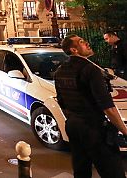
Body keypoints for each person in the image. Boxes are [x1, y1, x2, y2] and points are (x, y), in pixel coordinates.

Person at [54, 35, 127, 178]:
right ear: (74, 50)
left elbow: (62, 102)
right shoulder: (90, 70)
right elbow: (108, 107)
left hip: (74, 126)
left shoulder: (60, 71)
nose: (87, 43)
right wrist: (124, 131)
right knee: (113, 171)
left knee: (81, 170)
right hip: (94, 128)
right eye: (81, 42)